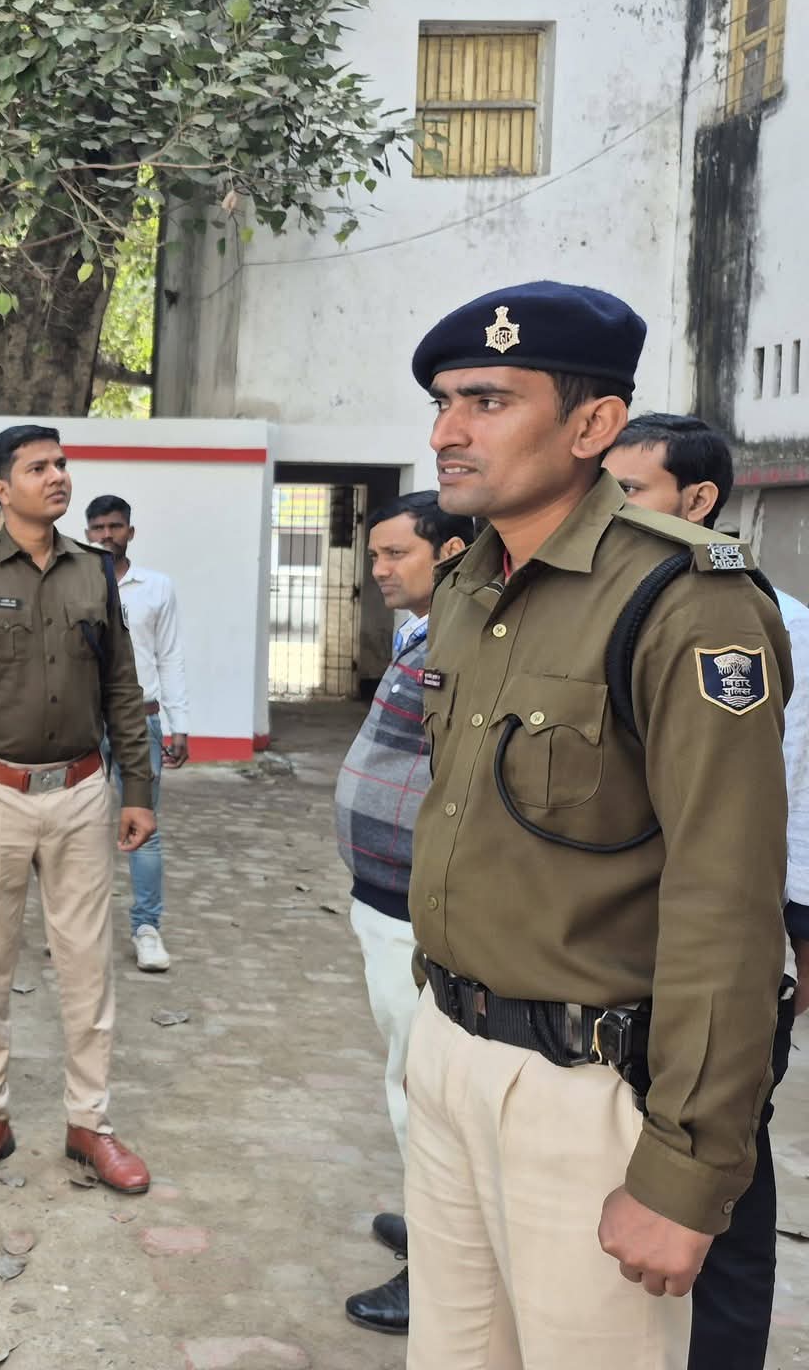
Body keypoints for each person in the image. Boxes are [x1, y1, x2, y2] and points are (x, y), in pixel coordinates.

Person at [403, 283, 791, 1370]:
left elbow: (726, 902)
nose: (446, 432)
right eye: (441, 403)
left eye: (486, 400)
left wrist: (686, 1167)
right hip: (448, 1048)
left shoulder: (683, 601)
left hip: (585, 1094)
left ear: (593, 425)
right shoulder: (468, 585)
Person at [605, 412, 809, 1369]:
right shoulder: (617, 606)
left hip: (737, 942)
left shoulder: (750, 619)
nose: (608, 512)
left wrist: (792, 945)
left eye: (629, 492)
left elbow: (778, 813)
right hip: (641, 948)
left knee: (723, 1165)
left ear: (697, 500)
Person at [0, 425, 159, 1195]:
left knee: (88, 966)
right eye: (39, 468)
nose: (58, 476)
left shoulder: (93, 572)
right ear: (1, 488)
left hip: (82, 791)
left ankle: (91, 1124)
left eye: (61, 464)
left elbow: (121, 686)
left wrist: (138, 787)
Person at [333, 490, 471, 1336]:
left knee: (424, 1088)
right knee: (405, 1071)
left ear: (450, 552)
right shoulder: (424, 629)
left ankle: (440, 1276)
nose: (378, 569)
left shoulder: (464, 636)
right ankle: (430, 1226)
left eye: (396, 554)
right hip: (388, 894)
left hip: (421, 902)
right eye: (375, 553)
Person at [83, 494, 191, 971]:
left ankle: (147, 929)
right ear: (87, 534)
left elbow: (170, 655)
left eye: (115, 526)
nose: (107, 535)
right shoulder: (74, 584)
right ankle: (79, 928)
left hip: (140, 720)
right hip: (83, 722)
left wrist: (179, 723)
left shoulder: (156, 587)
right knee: (77, 829)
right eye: (98, 528)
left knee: (144, 828)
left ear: (130, 531)